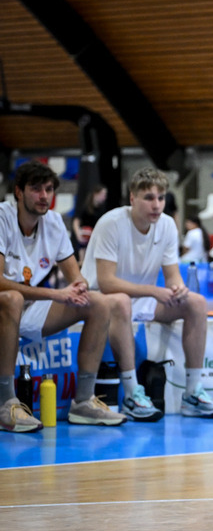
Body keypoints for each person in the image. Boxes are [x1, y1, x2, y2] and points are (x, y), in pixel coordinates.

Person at [82, 167, 213, 420]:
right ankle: (131, 394)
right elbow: (105, 282)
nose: (156, 204)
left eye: (161, 198)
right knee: (121, 301)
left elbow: (172, 277)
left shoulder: (168, 225)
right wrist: (153, 290)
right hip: (101, 301)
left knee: (196, 302)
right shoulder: (111, 223)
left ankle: (193, 392)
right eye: (149, 197)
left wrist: (178, 288)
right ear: (132, 198)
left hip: (142, 299)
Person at [0, 161, 135, 430]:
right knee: (11, 299)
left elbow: (76, 276)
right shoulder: (2, 218)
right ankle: (6, 403)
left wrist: (79, 287)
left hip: (30, 307)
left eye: (49, 190)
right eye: (36, 189)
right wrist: (56, 293)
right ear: (18, 192)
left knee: (98, 302)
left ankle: (83, 401)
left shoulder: (53, 222)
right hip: (6, 304)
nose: (44, 196)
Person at [71, 183, 108, 263]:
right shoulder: (85, 206)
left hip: (95, 238)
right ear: (96, 194)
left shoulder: (102, 209)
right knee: (82, 261)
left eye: (105, 195)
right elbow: (76, 221)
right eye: (103, 194)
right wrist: (79, 234)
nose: (104, 197)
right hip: (84, 238)